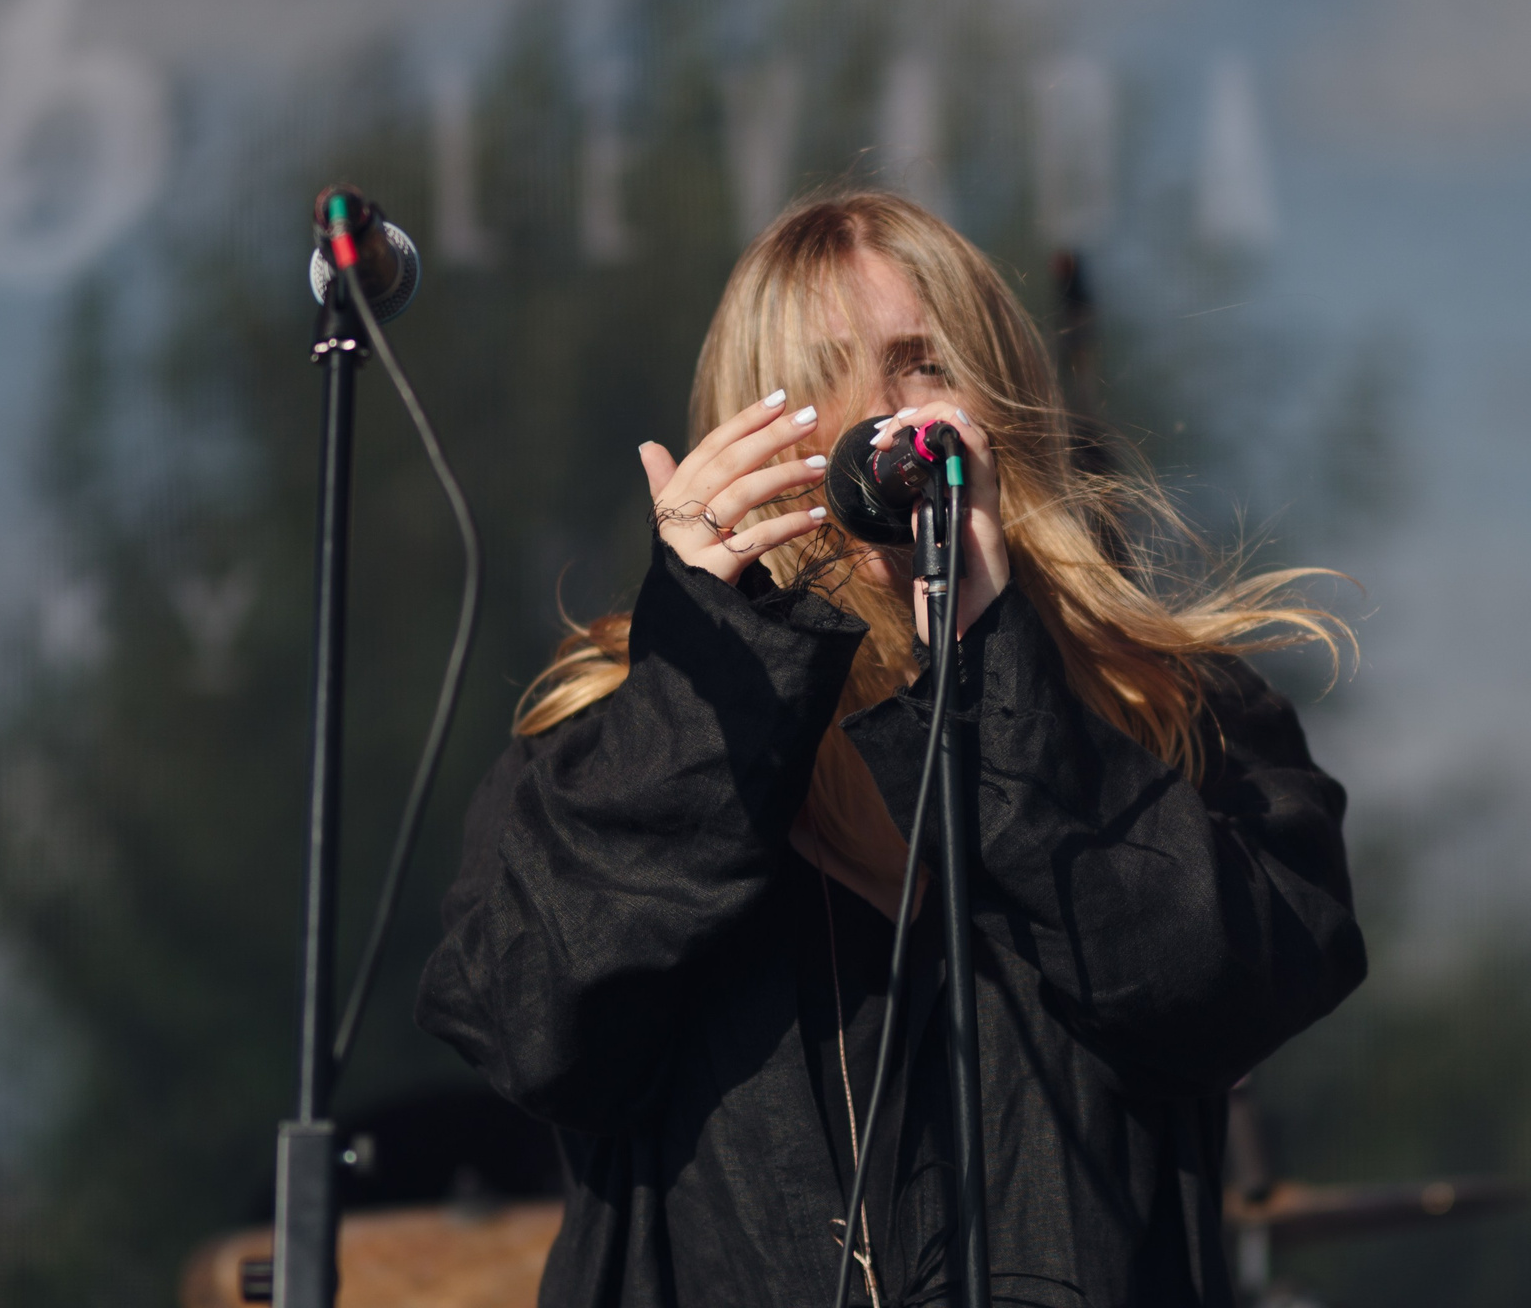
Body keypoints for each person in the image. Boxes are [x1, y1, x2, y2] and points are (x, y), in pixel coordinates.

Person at [414, 190, 1366, 1307]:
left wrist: (999, 669)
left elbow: (1227, 992)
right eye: (818, 377)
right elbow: (530, 1029)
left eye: (921, 365)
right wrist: (705, 688)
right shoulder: (618, 730)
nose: (876, 418)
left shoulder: (1160, 712)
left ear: (1000, 405)